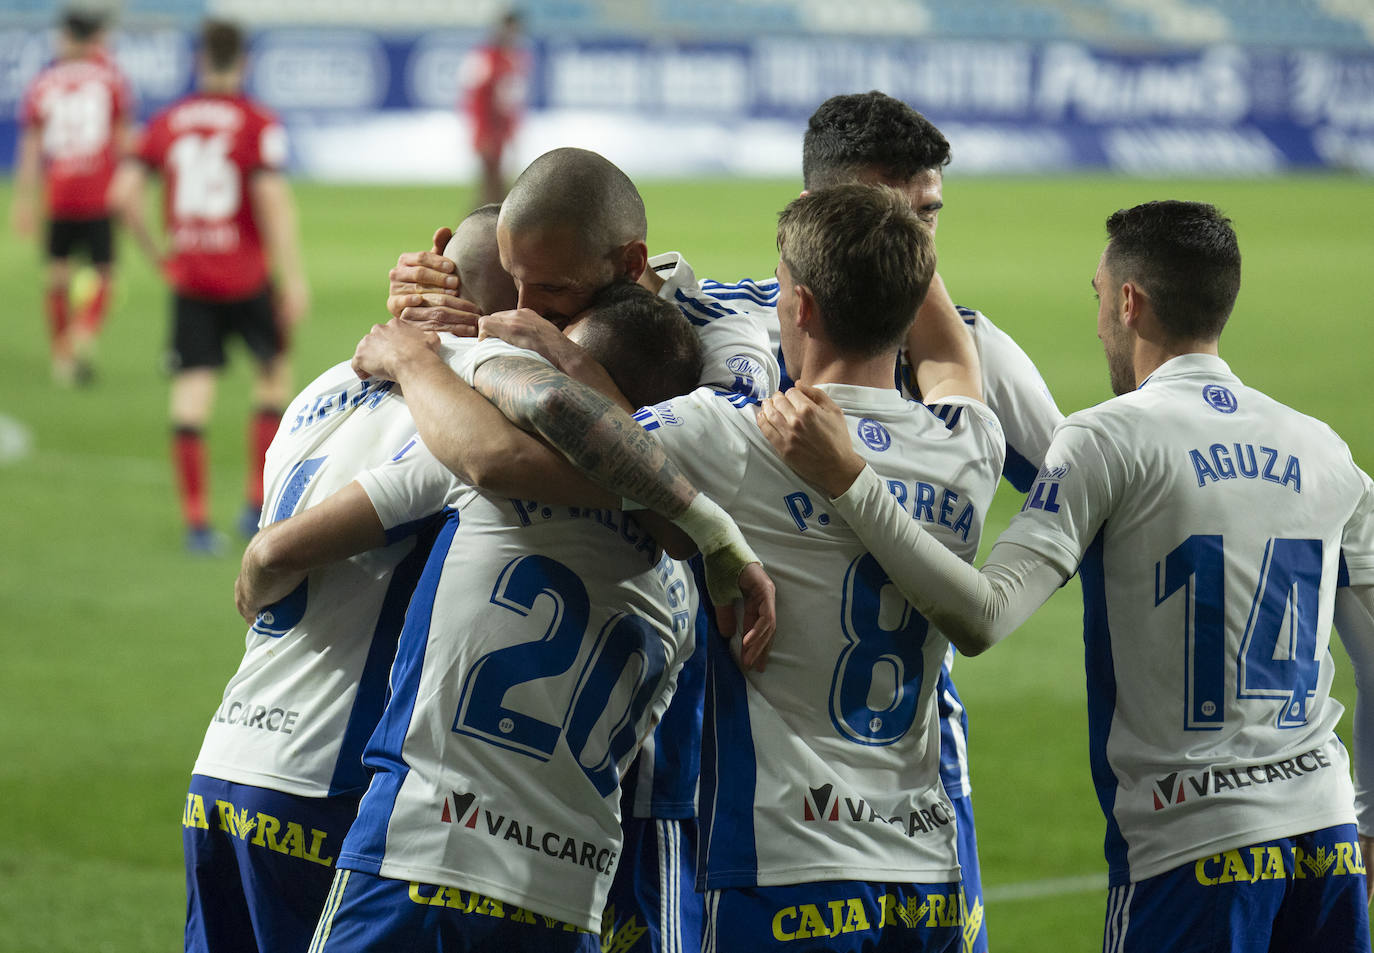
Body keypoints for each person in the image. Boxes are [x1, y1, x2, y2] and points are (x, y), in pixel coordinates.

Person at [353, 182, 1003, 952]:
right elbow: (955, 358)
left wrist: (449, 344)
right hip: (926, 862)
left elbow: (570, 439)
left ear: (796, 307)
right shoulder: (972, 440)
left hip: (786, 862)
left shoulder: (733, 442)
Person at [757, 199, 1374, 952]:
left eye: (1097, 297)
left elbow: (983, 615)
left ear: (1128, 301)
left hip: (1192, 854)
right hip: (1328, 837)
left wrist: (852, 481)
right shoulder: (1326, 451)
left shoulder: (1108, 438)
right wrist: (1366, 822)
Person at [643, 90, 1063, 951]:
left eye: (930, 215)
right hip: (722, 768)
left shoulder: (980, 353)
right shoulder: (711, 318)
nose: (917, 239)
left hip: (908, 778)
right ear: (811, 214)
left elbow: (1077, 504)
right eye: (889, 214)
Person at [239, 284, 774, 952]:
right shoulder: (682, 586)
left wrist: (416, 357)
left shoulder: (478, 476)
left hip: (418, 853)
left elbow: (286, 546)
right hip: (565, 894)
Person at [384, 146, 788, 953]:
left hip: (656, 746)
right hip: (520, 749)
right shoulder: (534, 287)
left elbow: (667, 483)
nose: (527, 309)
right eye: (513, 282)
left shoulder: (724, 338)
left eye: (556, 294)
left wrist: (534, 361)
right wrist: (431, 300)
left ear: (630, 263)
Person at [181, 206, 510, 953]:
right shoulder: (482, 410)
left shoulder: (327, 383)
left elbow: (271, 560)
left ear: (436, 256)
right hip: (335, 779)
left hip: (224, 763)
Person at [110, 19, 309, 553]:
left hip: (191, 277)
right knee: (271, 378)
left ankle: (197, 524)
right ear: (242, 63)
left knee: (192, 394)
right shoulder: (255, 121)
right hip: (247, 277)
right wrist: (291, 277)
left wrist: (160, 257)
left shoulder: (168, 120)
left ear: (199, 61)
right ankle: (254, 505)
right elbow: (271, 201)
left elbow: (122, 194)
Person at [11, 7, 134, 385]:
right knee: (105, 275)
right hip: (99, 193)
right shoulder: (110, 78)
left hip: (59, 194)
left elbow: (31, 145)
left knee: (56, 276)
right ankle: (82, 334)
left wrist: (24, 199)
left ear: (67, 38)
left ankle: (61, 359)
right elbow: (123, 139)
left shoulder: (43, 83)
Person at [460, 9, 527, 206]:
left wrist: (511, 132)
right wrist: (481, 133)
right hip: (488, 132)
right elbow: (476, 99)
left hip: (500, 132)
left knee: (495, 190)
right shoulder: (486, 59)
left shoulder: (511, 59)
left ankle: (474, 230)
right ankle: (473, 231)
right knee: (493, 189)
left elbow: (508, 104)